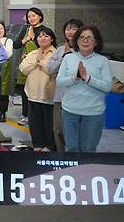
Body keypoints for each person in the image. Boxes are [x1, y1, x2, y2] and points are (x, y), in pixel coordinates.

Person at [56, 25, 112, 152]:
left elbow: (107, 86)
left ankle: (87, 172)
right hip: (69, 111)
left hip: (93, 113)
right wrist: (75, 77)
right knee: (71, 148)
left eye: (89, 38)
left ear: (96, 42)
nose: (85, 41)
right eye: (82, 37)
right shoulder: (69, 58)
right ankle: (72, 172)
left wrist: (87, 77)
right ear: (76, 41)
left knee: (88, 149)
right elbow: (59, 81)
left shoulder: (103, 61)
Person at [46, 19, 83, 151]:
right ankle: (62, 156)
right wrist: (64, 56)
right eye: (68, 29)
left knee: (74, 130)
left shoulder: (85, 51)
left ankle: (77, 156)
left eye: (74, 28)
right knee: (58, 129)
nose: (71, 31)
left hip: (77, 97)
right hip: (60, 96)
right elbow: (50, 68)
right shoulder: (60, 49)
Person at [19, 28, 57, 151]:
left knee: (49, 122)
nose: (42, 38)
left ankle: (50, 145)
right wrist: (36, 60)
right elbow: (23, 68)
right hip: (33, 92)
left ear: (52, 38)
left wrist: (41, 61)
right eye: (40, 36)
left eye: (46, 36)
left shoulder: (56, 53)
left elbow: (52, 70)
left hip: (48, 94)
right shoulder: (33, 53)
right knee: (35, 122)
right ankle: (38, 144)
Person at [13, 7, 47, 125]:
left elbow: (51, 46)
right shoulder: (25, 29)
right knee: (25, 91)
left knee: (38, 89)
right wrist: (27, 38)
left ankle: (37, 116)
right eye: (29, 16)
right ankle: (25, 115)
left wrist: (34, 40)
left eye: (34, 15)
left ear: (40, 16)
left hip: (40, 64)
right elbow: (16, 45)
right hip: (27, 64)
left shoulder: (45, 30)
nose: (31, 18)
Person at [0, 21, 13, 122]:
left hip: (4, 69)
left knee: (3, 91)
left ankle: (3, 112)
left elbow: (7, 54)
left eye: (1, 28)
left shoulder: (8, 41)